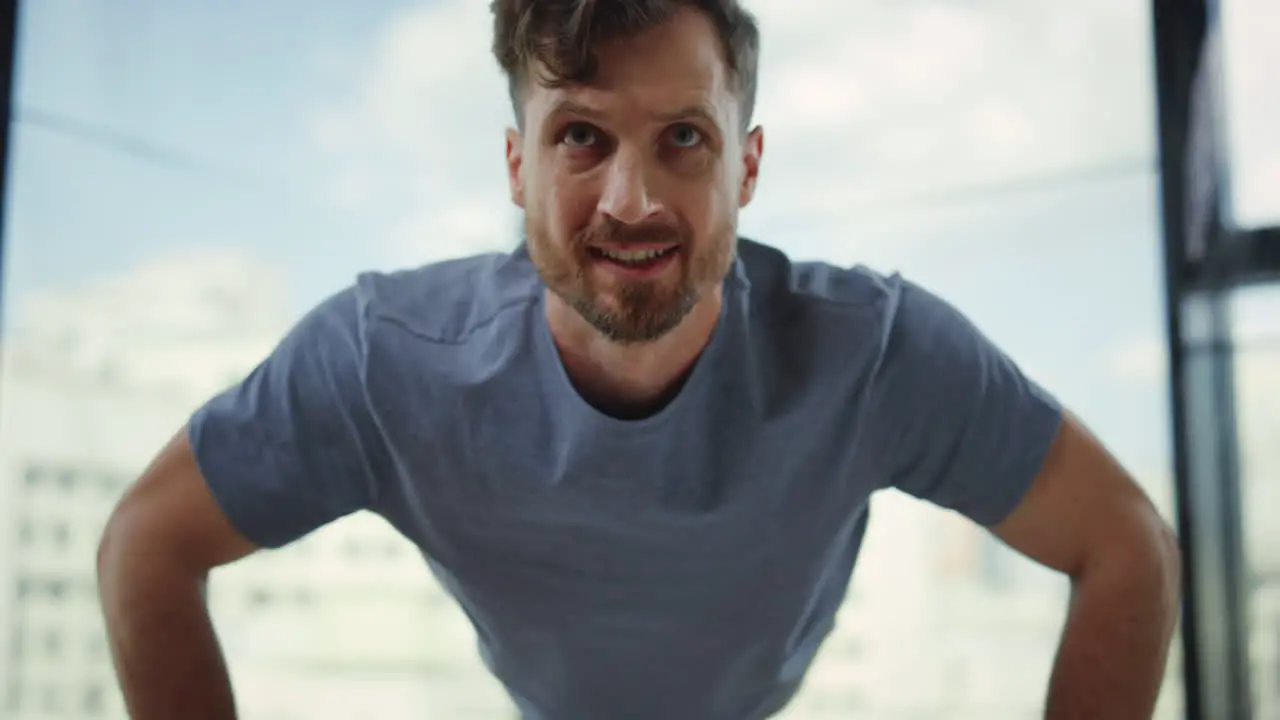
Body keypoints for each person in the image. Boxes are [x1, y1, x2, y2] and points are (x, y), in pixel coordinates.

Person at [96, 1, 1182, 718]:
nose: (631, 200)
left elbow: (1123, 542)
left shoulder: (874, 353)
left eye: (682, 138)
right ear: (516, 162)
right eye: (579, 136)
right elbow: (149, 540)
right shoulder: (385, 362)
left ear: (745, 167)